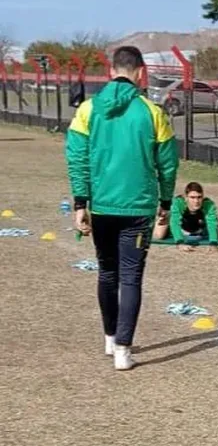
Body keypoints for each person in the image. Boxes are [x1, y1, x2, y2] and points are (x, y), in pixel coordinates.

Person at [65, 46, 179, 370]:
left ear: (111, 71)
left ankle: (109, 338)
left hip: (101, 207)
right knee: (130, 278)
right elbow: (168, 164)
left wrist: (80, 203)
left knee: (107, 271)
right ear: (141, 73)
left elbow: (77, 158)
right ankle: (123, 351)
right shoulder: (152, 112)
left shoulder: (87, 109)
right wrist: (167, 202)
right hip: (138, 208)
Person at [153, 181, 218, 247]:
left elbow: (211, 224)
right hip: (181, 225)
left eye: (199, 197)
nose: (196, 201)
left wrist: (213, 243)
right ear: (186, 197)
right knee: (159, 235)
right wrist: (180, 242)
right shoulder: (178, 203)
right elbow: (175, 222)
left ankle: (215, 218)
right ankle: (162, 219)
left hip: (199, 226)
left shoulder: (208, 204)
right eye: (192, 197)